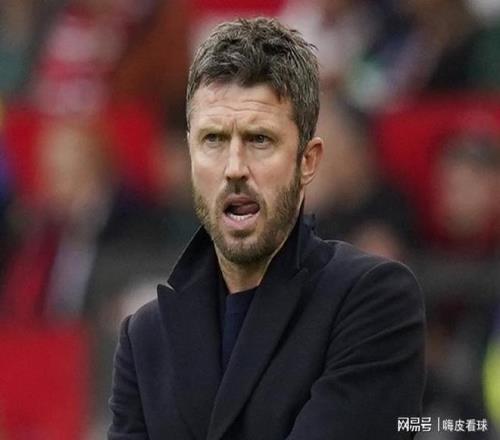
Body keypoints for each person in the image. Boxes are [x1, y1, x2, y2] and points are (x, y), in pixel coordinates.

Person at [108, 17, 425, 440]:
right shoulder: (146, 338)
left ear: (307, 161)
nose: (234, 168)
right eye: (213, 140)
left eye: (259, 140)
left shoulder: (373, 299)